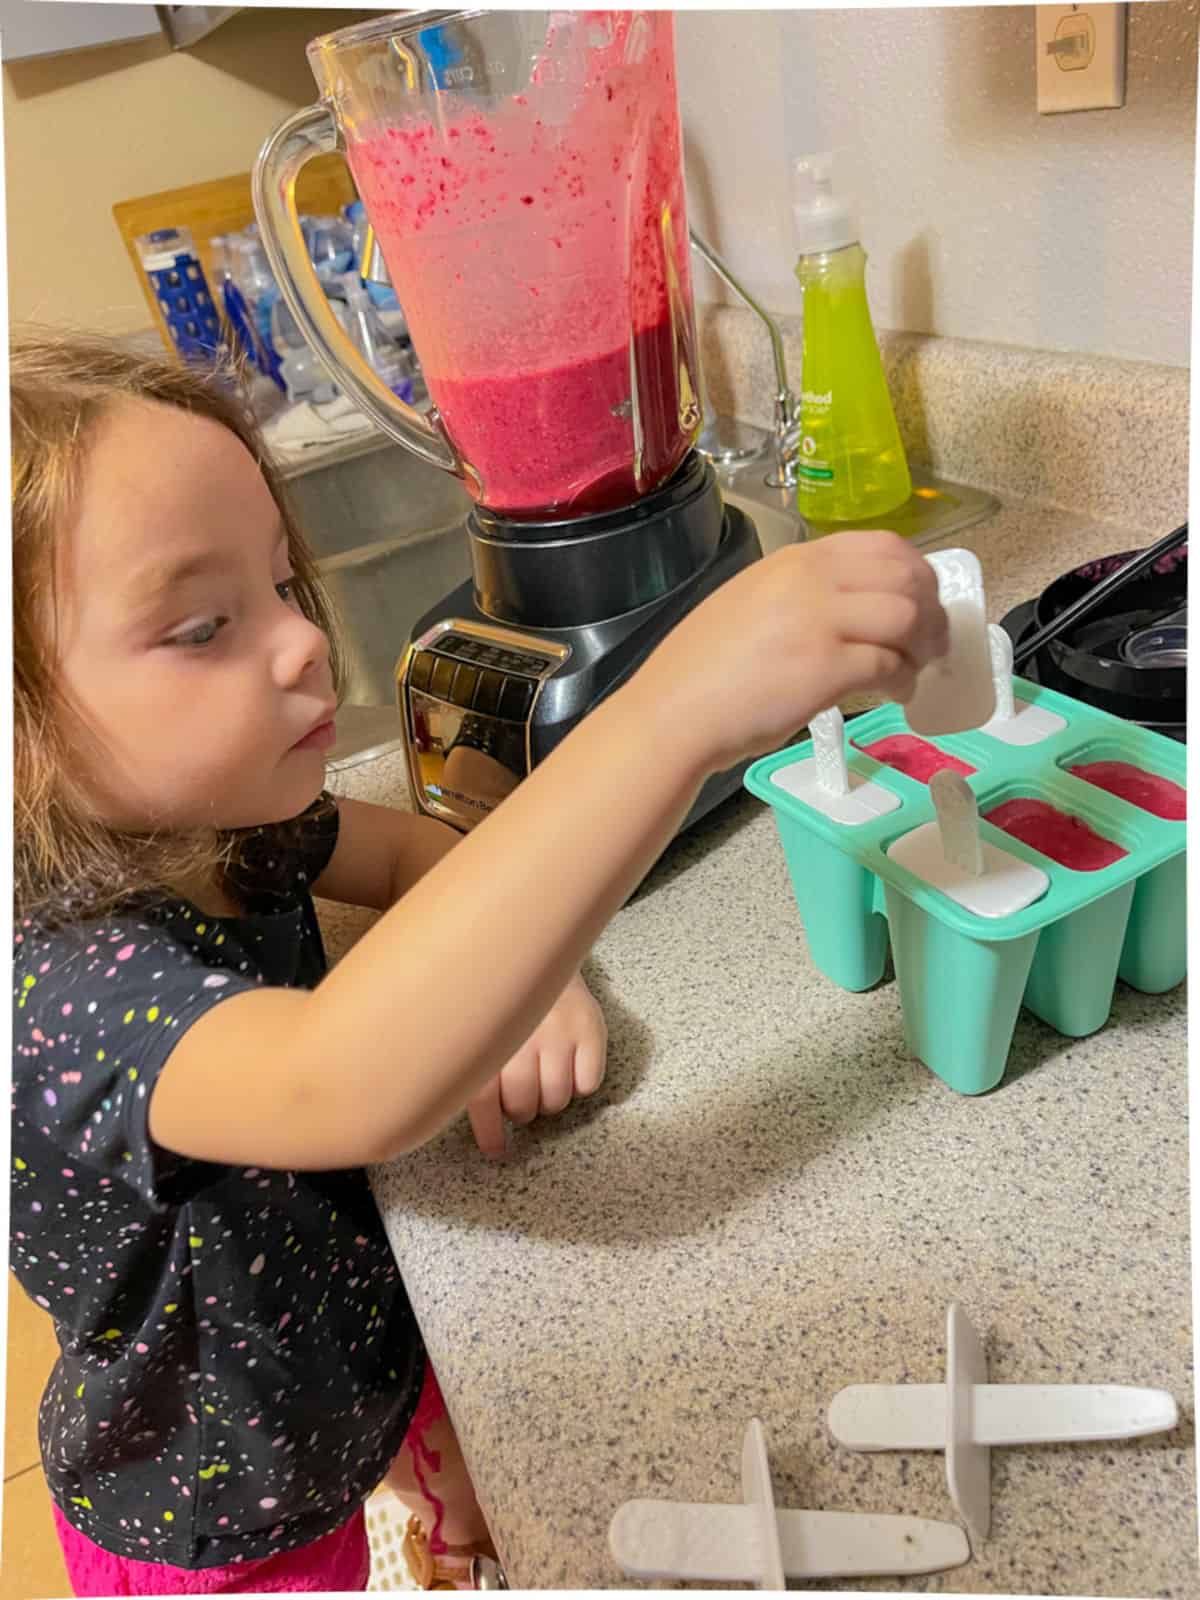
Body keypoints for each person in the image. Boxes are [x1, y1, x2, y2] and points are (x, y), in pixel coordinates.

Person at [10, 329, 948, 1596]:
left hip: (352, 1351)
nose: (299, 647)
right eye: (201, 626)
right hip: (222, 1507)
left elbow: (414, 858)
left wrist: (531, 980)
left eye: (282, 589)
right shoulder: (65, 989)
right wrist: (671, 710)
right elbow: (337, 1080)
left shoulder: (236, 829)